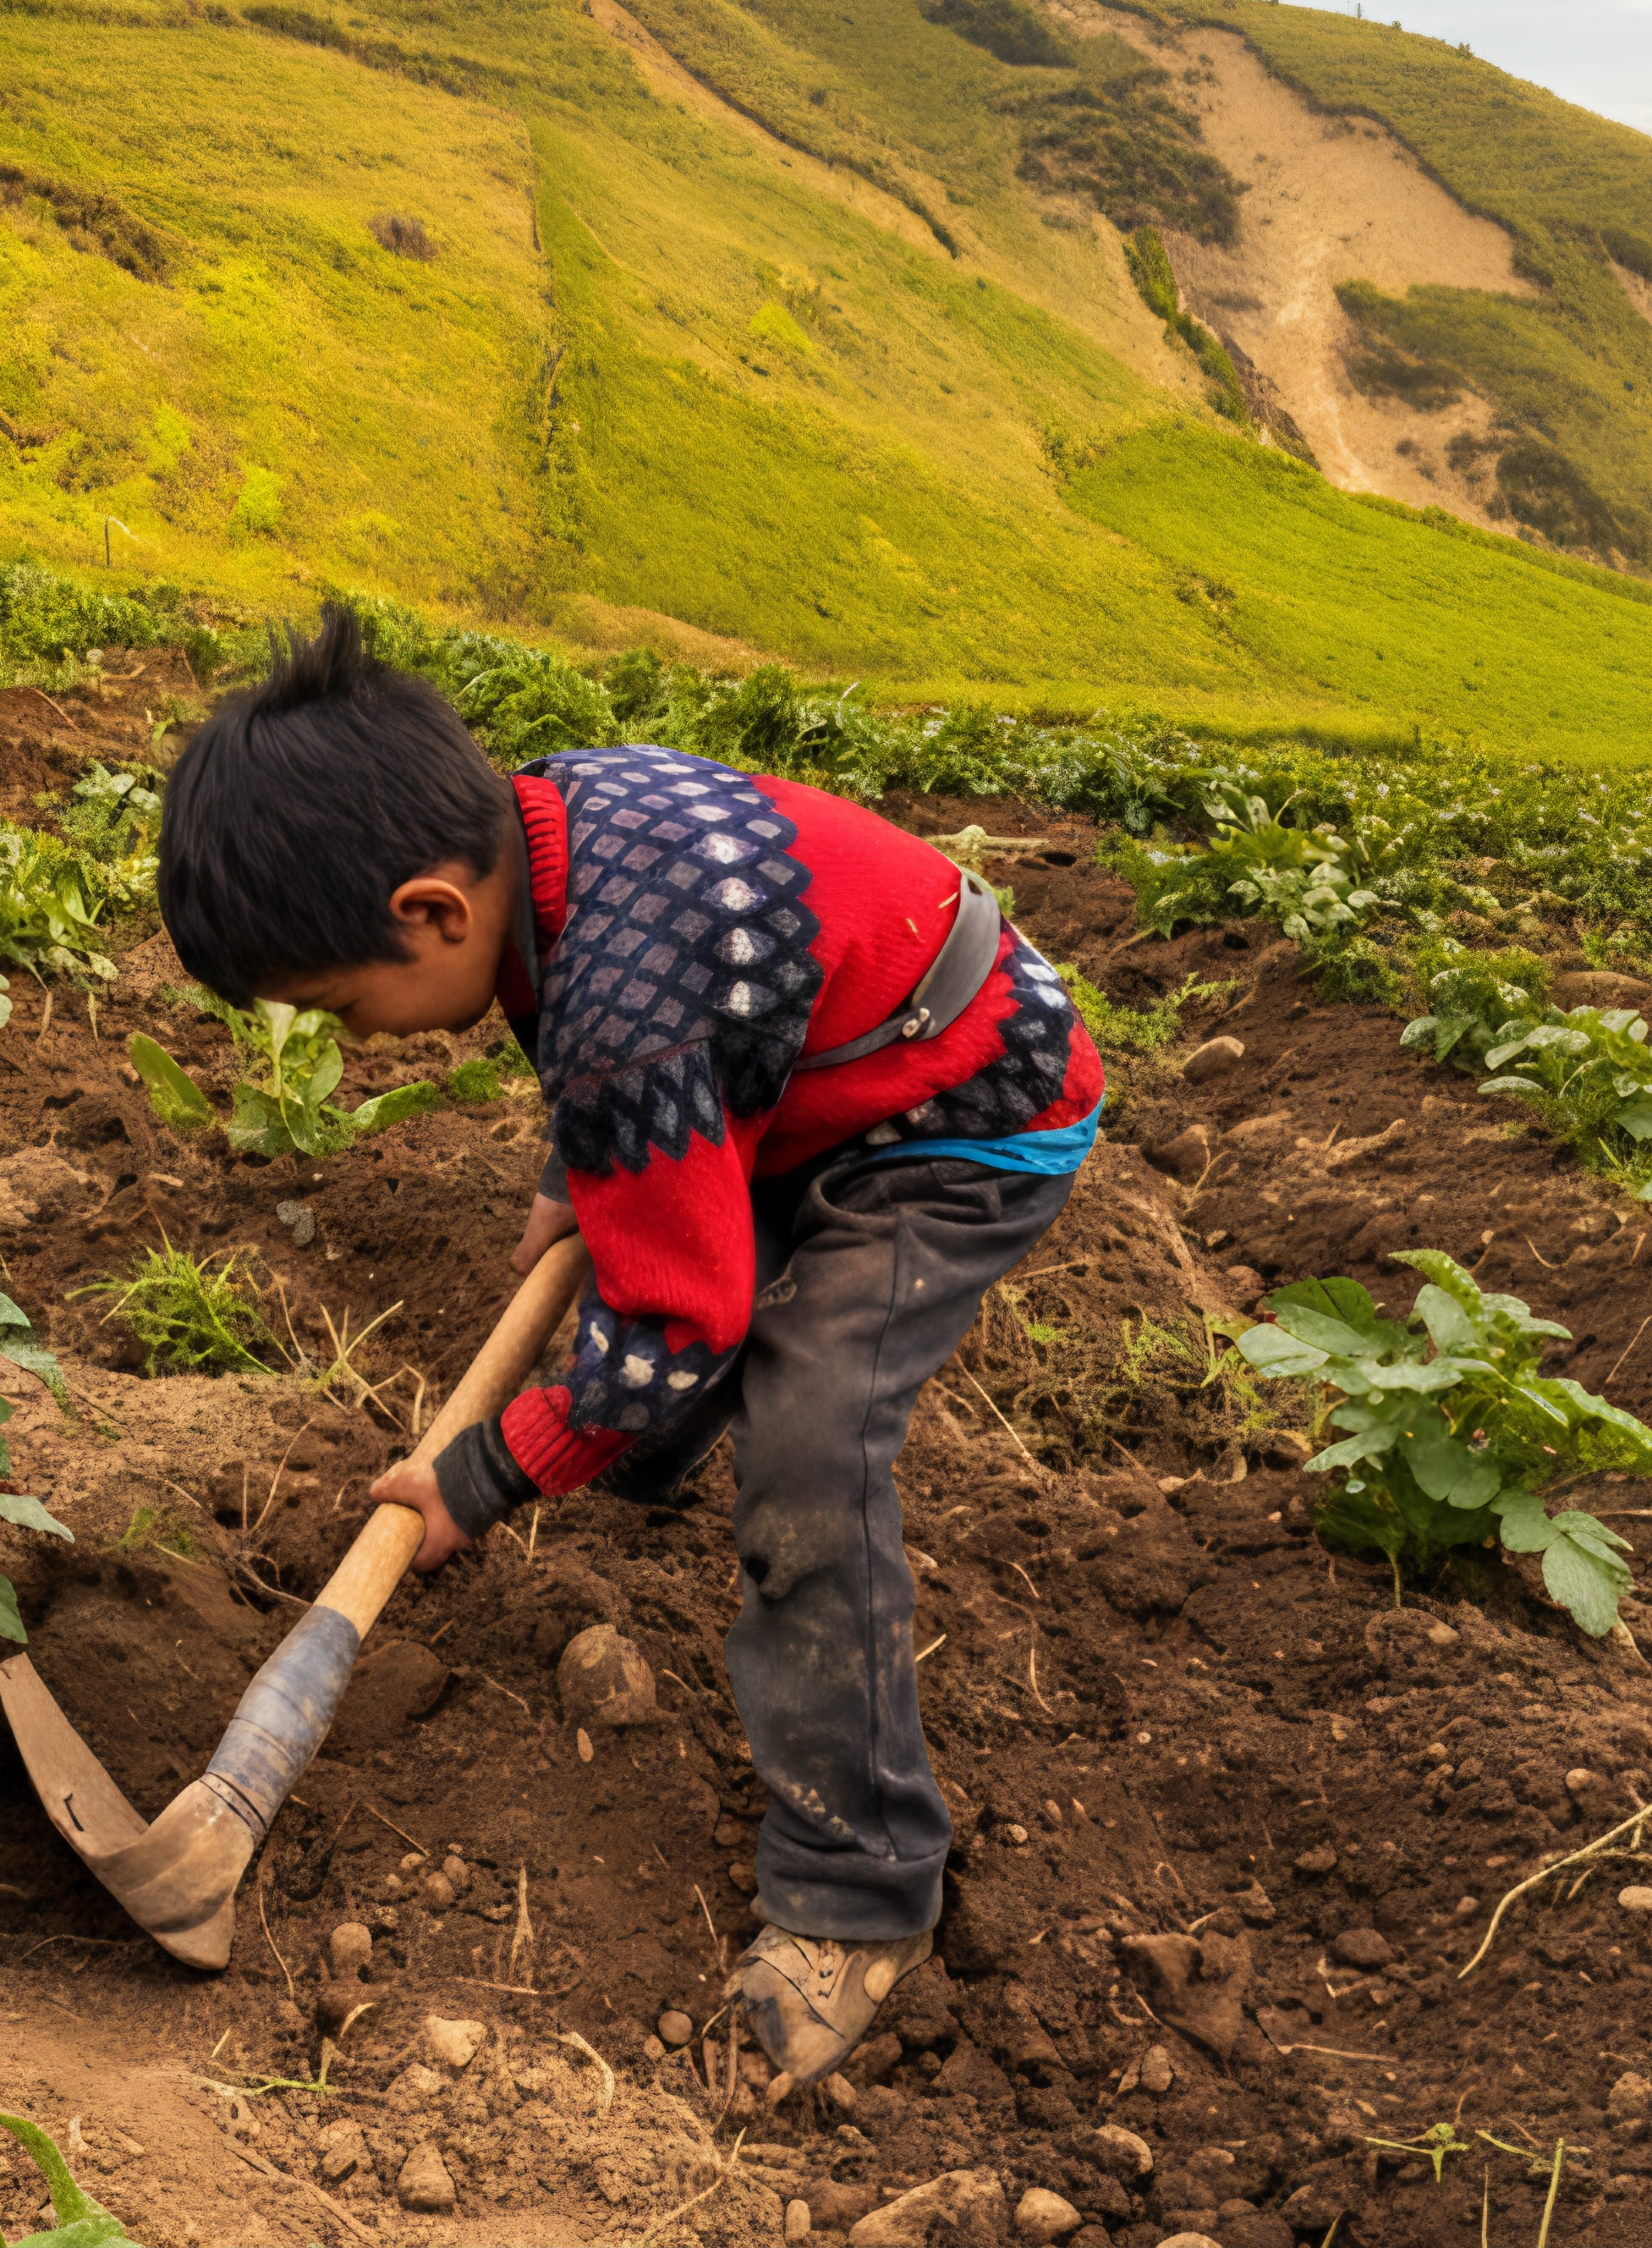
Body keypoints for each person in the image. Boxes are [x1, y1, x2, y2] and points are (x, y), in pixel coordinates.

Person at [156, 607, 1102, 2084]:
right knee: (657, 1322)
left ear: (432, 913)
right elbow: (648, 1017)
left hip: (957, 1116)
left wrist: (489, 1469)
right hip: (825, 1054)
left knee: (803, 1434)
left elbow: (675, 1302)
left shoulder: (624, 1014)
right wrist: (582, 1169)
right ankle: (648, 1447)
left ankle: (861, 1893)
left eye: (345, 1008)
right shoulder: (542, 824)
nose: (356, 1043)